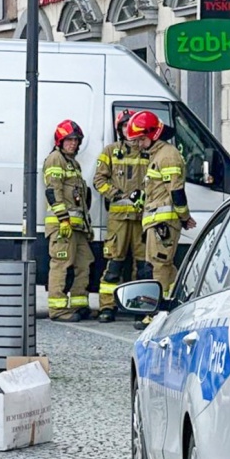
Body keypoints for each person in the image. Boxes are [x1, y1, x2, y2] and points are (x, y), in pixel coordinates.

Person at [126, 111, 195, 319]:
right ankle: (176, 304)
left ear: (153, 134)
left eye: (140, 139)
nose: (138, 144)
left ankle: (158, 314)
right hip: (157, 223)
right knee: (165, 267)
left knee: (159, 267)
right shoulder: (158, 155)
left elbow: (176, 192)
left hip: (163, 223)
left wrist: (184, 218)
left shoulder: (168, 156)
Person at [93, 110, 150, 323]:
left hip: (142, 218)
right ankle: (107, 307)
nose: (128, 129)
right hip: (118, 220)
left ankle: (140, 307)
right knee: (114, 264)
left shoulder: (148, 151)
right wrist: (117, 194)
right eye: (125, 126)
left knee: (143, 266)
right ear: (119, 129)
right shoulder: (110, 151)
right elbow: (99, 180)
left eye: (132, 125)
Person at [43, 119, 95, 322]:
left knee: (85, 262)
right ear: (60, 141)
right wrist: (63, 220)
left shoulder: (73, 163)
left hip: (77, 227)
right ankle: (57, 310)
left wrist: (86, 226)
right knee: (62, 264)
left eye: (75, 140)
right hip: (62, 225)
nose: (72, 143)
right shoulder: (55, 159)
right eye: (69, 140)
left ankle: (79, 305)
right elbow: (52, 191)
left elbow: (79, 199)